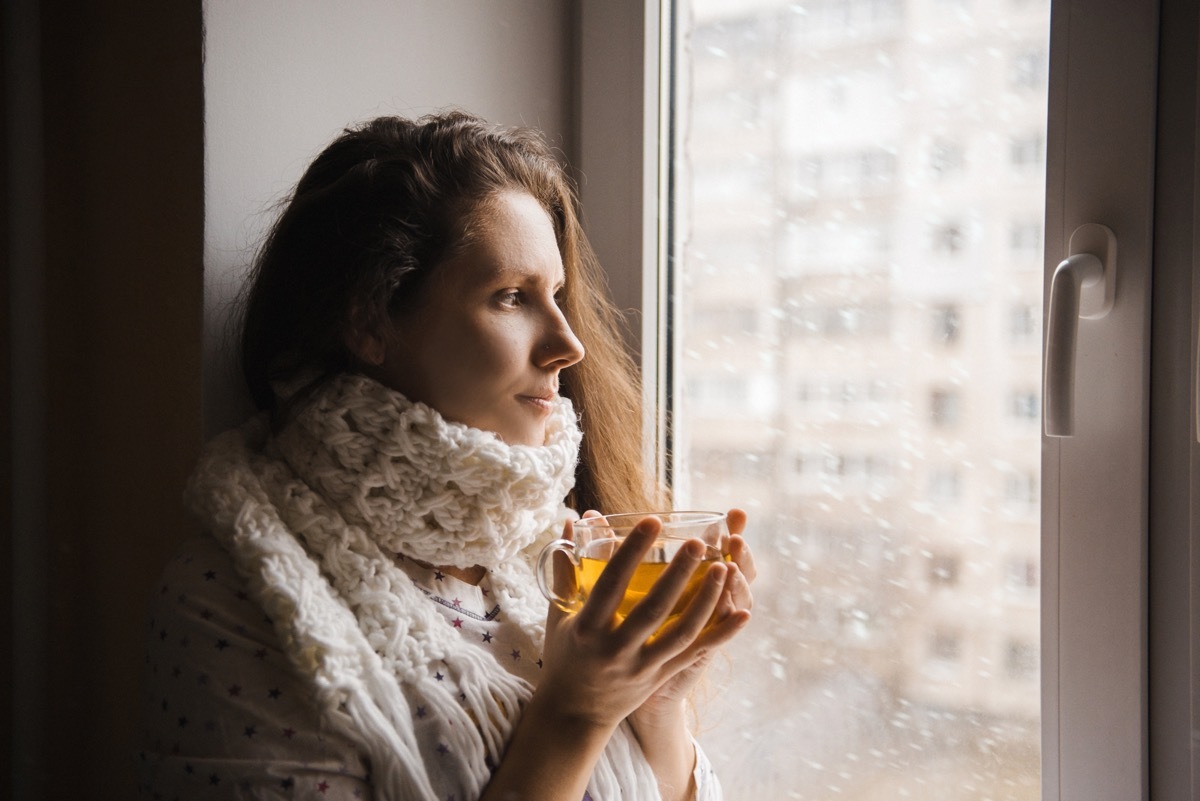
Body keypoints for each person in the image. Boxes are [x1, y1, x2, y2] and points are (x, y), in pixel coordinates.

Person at [138, 111, 755, 801]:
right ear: (370, 320)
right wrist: (573, 715)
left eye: (557, 296)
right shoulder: (235, 601)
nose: (567, 343)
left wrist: (655, 700)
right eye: (512, 297)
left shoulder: (559, 553)